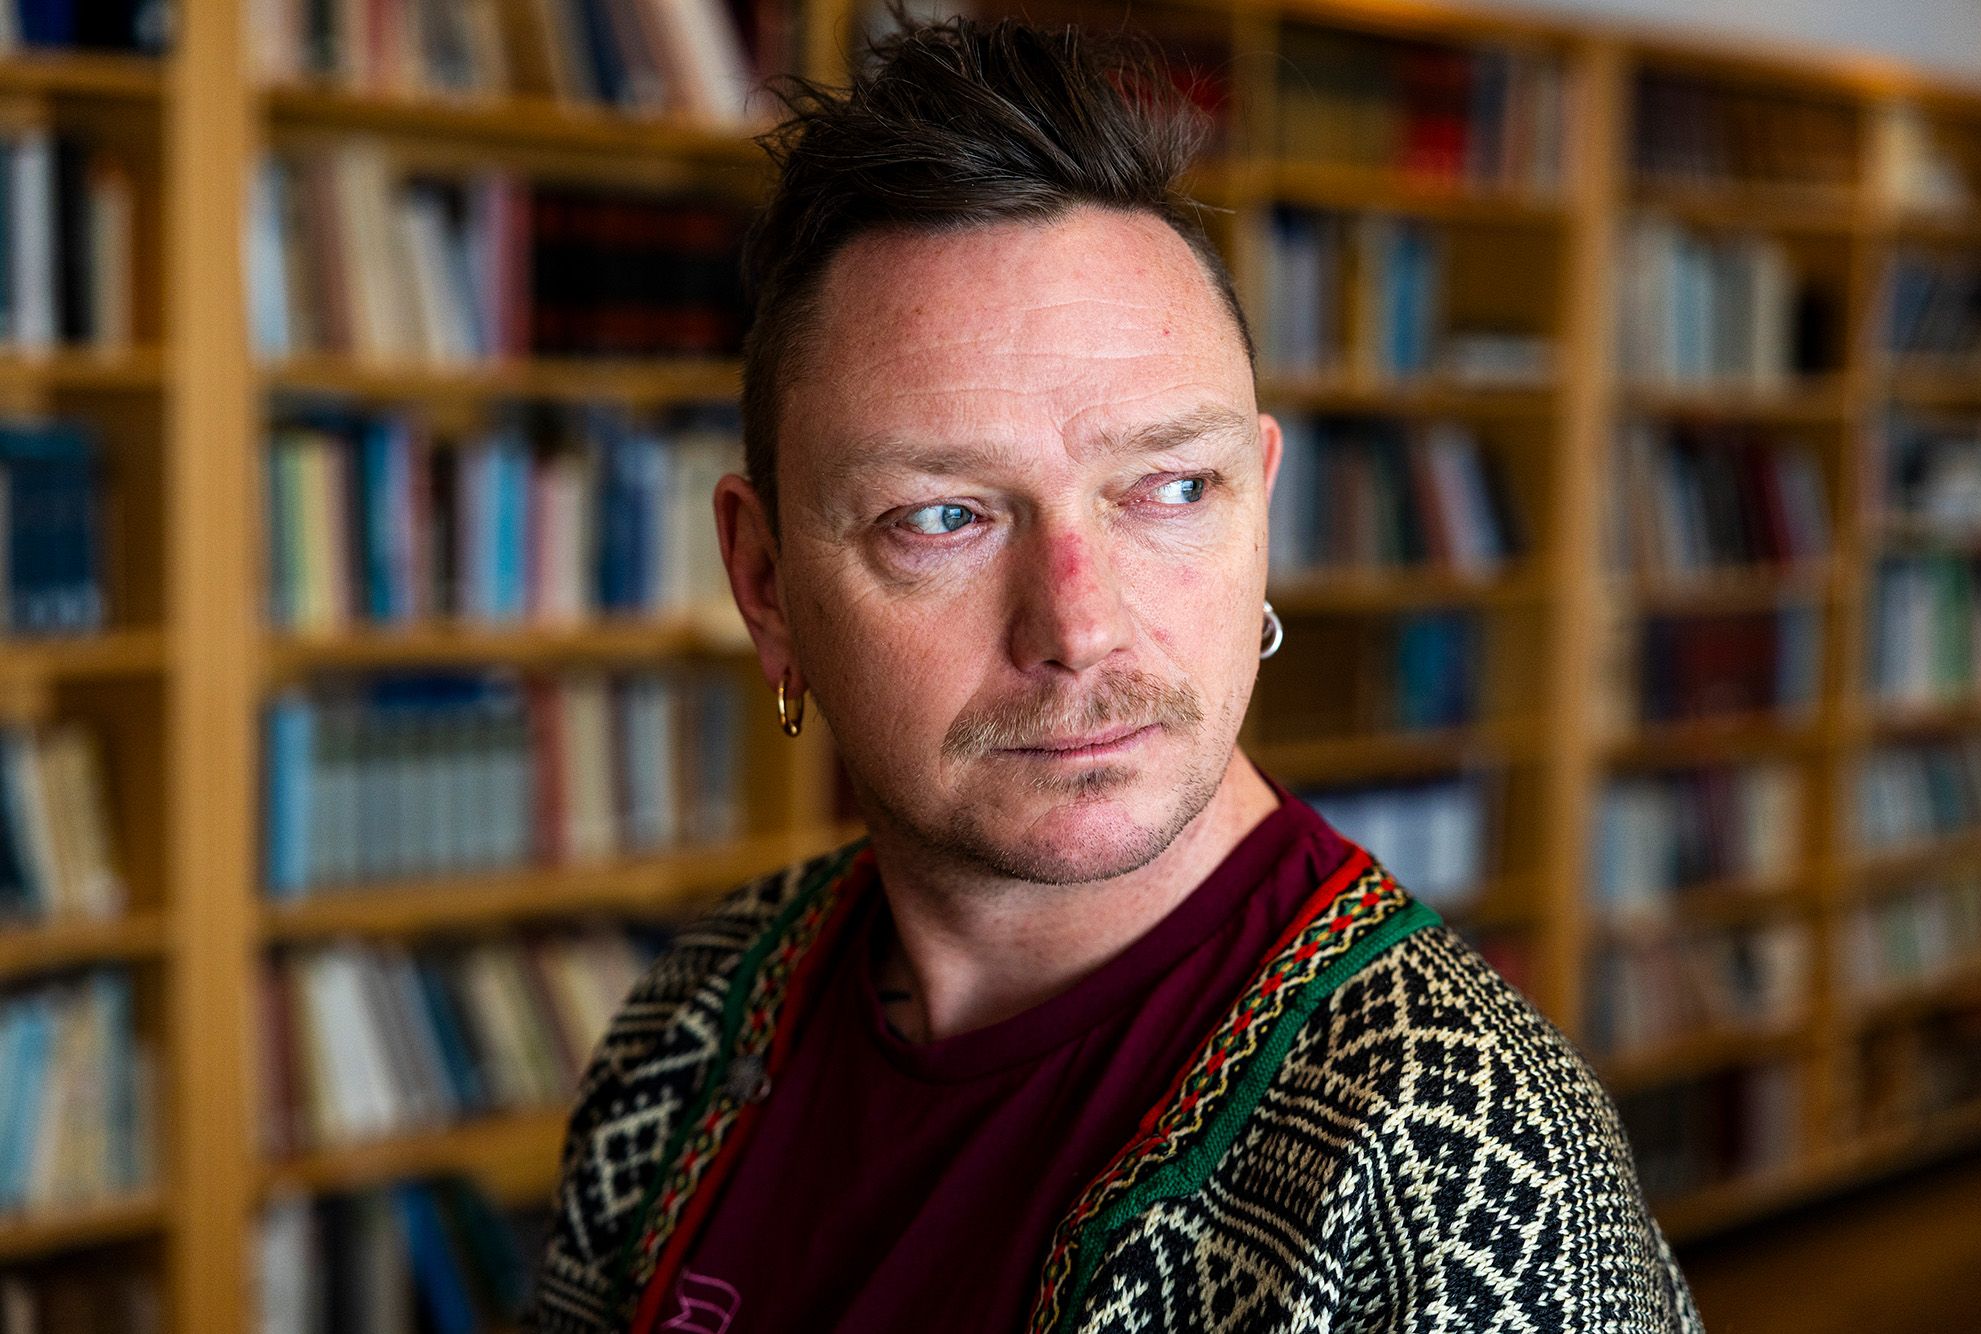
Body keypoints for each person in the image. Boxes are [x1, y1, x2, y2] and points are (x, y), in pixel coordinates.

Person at [529, 14, 1704, 1334]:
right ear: (765, 583)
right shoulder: (693, 1021)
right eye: (943, 517)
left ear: (1260, 514)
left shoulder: (1456, 1169)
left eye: (1171, 488)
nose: (1079, 628)